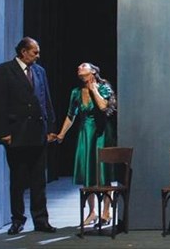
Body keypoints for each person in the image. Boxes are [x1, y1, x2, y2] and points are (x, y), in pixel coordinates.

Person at [0, 37, 58, 234]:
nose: (37, 56)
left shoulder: (39, 71)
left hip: (38, 133)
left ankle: (41, 220)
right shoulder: (4, 71)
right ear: (23, 51)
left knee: (39, 180)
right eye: (34, 52)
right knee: (18, 180)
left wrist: (51, 128)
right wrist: (4, 132)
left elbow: (46, 99)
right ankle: (17, 220)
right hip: (17, 133)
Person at [55, 62, 117, 226]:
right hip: (85, 134)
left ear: (93, 71)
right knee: (88, 173)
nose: (79, 68)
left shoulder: (104, 88)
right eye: (78, 67)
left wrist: (93, 89)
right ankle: (92, 212)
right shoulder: (75, 92)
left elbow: (103, 107)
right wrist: (62, 133)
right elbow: (70, 115)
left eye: (83, 66)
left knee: (103, 173)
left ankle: (106, 212)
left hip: (101, 134)